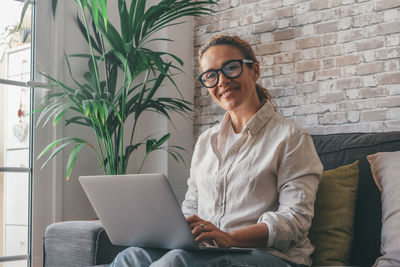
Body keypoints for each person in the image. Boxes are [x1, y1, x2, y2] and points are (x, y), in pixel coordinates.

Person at [109, 35, 323, 267]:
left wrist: (229, 238)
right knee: (132, 256)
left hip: (270, 256)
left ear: (255, 70)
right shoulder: (205, 141)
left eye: (231, 67)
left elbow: (295, 219)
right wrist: (177, 230)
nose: (222, 81)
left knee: (176, 262)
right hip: (208, 252)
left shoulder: (291, 138)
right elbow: (191, 206)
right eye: (211, 75)